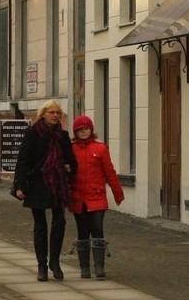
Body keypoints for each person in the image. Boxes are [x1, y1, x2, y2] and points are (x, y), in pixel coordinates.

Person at [14, 100, 77, 282]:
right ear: (43, 114)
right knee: (40, 226)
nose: (56, 115)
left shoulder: (63, 135)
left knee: (59, 222)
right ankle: (42, 265)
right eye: (52, 112)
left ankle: (55, 262)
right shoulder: (33, 133)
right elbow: (23, 160)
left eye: (58, 113)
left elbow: (71, 160)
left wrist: (68, 168)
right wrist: (19, 184)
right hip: (37, 183)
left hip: (57, 184)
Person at [69, 115, 124, 279]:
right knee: (82, 231)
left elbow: (110, 173)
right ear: (76, 132)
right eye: (80, 130)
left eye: (86, 129)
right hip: (78, 197)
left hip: (97, 196)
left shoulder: (100, 148)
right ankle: (84, 267)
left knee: (97, 228)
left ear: (91, 130)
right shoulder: (72, 149)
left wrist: (117, 193)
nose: (83, 132)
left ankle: (99, 266)